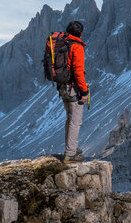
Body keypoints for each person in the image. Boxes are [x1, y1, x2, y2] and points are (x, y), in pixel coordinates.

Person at [58, 21, 89, 163]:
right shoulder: (77, 47)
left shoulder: (62, 45)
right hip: (73, 89)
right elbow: (78, 71)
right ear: (80, 33)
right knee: (75, 121)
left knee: (69, 119)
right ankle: (70, 155)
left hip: (63, 87)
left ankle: (71, 149)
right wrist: (84, 91)